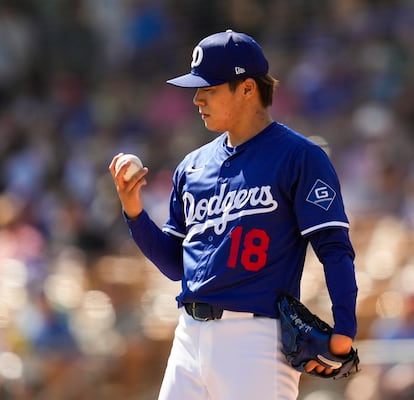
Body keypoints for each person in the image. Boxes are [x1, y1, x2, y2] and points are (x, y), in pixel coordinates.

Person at [109, 29, 358, 399]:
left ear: (247, 89)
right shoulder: (192, 167)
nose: (196, 99)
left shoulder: (299, 157)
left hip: (256, 340)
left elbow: (333, 247)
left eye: (208, 89)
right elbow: (176, 266)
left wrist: (344, 329)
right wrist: (134, 212)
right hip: (189, 334)